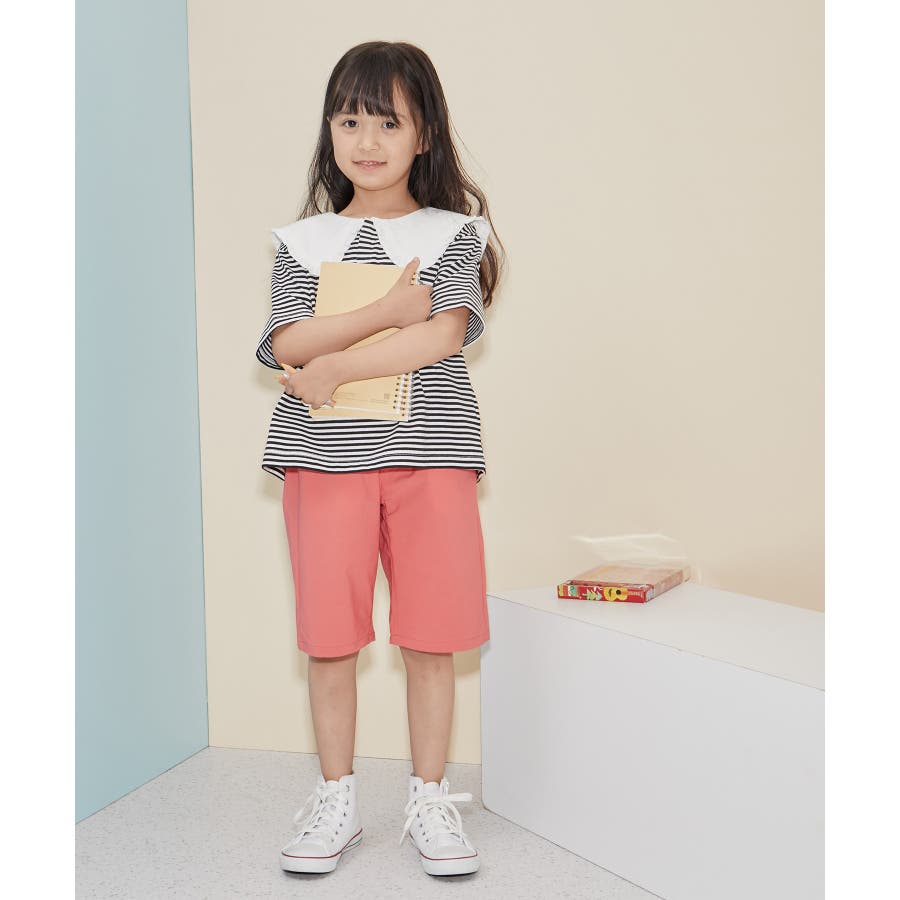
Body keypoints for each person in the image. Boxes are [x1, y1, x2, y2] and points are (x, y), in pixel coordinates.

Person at [254, 41, 505, 878]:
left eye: (389, 122)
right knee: (330, 638)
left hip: (432, 455)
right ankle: (337, 799)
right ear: (329, 131)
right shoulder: (304, 241)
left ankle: (429, 799)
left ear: (424, 133)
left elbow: (441, 336)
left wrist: (334, 365)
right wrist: (384, 313)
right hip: (323, 459)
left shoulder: (453, 234)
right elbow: (288, 342)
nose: (366, 140)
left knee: (433, 635)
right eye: (349, 120)